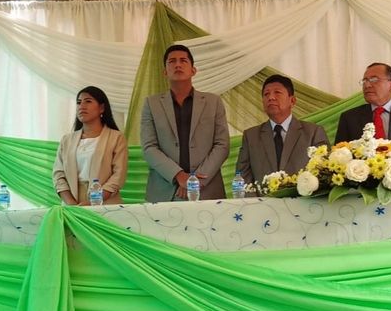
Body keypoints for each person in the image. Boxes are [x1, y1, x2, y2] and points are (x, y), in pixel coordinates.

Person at [141, 44, 230, 202]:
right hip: (165, 191)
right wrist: (179, 175)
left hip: (207, 189)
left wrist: (193, 182)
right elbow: (149, 148)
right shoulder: (151, 104)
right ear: (165, 71)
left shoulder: (213, 102)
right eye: (172, 61)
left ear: (193, 70)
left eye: (183, 60)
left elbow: (222, 145)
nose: (178, 65)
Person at [236, 74, 329, 186]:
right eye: (266, 94)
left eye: (277, 92)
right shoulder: (251, 136)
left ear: (292, 101)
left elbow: (325, 174)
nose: (271, 97)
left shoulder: (313, 133)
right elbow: (240, 177)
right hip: (261, 197)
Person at [53, 86, 128, 205]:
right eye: (79, 102)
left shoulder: (116, 137)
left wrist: (92, 202)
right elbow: (58, 175)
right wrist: (71, 204)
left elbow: (118, 175)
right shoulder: (66, 140)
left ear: (102, 108)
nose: (82, 106)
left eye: (88, 101)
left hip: (105, 203)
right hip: (71, 205)